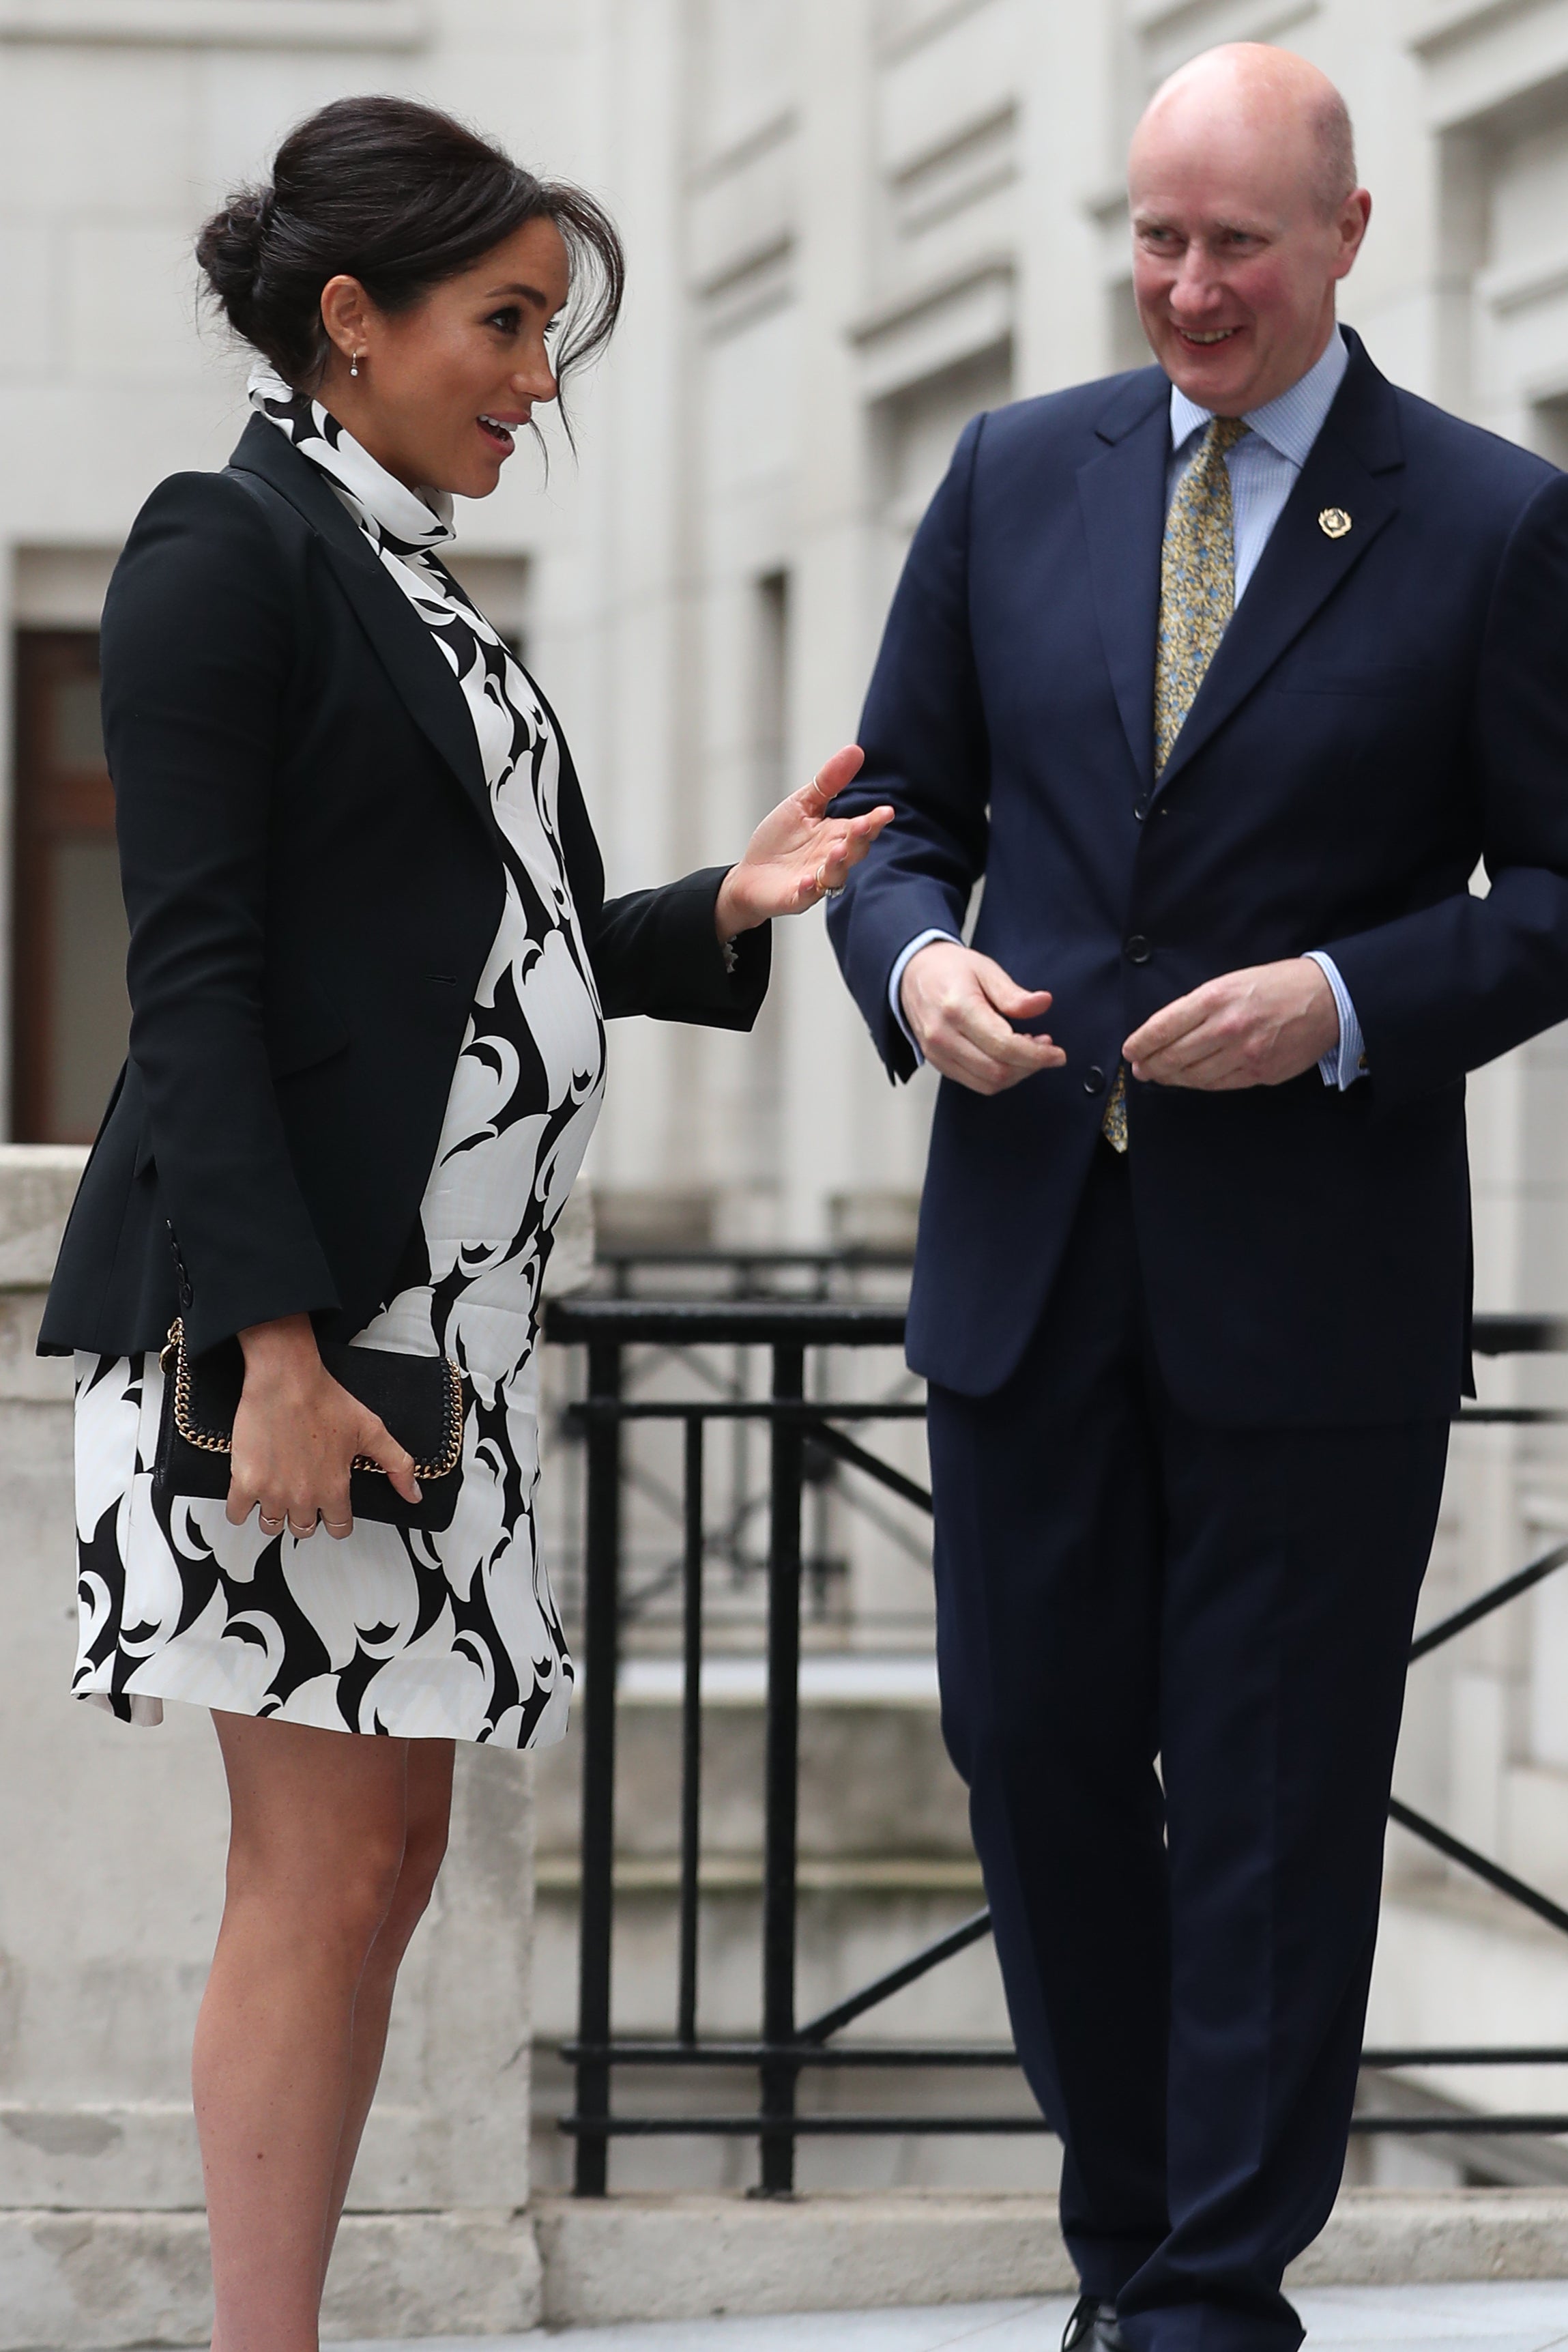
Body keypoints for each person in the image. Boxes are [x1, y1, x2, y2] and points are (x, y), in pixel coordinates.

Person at [40, 95, 890, 2352]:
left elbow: (463, 957)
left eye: (552, 334)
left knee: (385, 1865)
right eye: (505, 325)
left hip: (444, 1342)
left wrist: (716, 903)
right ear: (351, 319)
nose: (540, 378)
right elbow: (193, 973)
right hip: (315, 1347)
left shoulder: (393, 556)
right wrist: (282, 1349)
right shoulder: (226, 549)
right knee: (319, 1880)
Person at [828, 41, 1568, 2352]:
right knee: (1033, 1758)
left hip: (1312, 1286)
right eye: (1153, 238)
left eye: (1233, 242)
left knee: (1269, 1808)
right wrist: (915, 958)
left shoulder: (1490, 518)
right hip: (1023, 1266)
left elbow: (1556, 889)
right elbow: (894, 822)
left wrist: (1342, 997)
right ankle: (1128, 2236)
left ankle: (1202, 2303)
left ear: (1345, 237)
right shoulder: (1001, 472)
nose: (1185, 285)